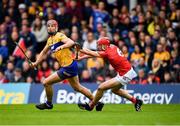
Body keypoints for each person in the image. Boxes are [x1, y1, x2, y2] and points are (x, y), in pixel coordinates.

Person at [31, 19, 104, 110]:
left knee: (46, 82)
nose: (50, 28)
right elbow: (43, 52)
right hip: (70, 65)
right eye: (48, 26)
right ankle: (97, 102)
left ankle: (48, 104)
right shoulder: (50, 40)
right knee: (77, 87)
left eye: (52, 26)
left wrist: (62, 46)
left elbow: (71, 42)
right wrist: (36, 63)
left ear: (56, 27)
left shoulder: (60, 35)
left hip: (68, 67)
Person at [78, 37, 143, 111]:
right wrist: (82, 57)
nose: (98, 47)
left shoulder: (108, 53)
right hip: (126, 71)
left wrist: (79, 48)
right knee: (115, 90)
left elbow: (91, 53)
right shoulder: (112, 46)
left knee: (101, 88)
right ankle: (136, 101)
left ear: (104, 45)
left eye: (100, 45)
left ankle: (91, 106)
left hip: (125, 74)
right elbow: (95, 54)